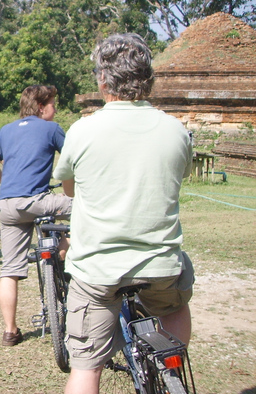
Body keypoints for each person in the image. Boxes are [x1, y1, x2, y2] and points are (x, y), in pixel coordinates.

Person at [53, 34, 194, 394]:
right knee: (174, 304)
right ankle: (170, 365)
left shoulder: (83, 130)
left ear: (102, 80)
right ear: (149, 79)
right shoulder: (175, 130)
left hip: (98, 270)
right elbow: (179, 177)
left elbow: (69, 188)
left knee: (87, 369)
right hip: (159, 265)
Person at [0, 85, 72, 347]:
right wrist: (70, 197)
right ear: (41, 107)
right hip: (39, 201)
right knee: (88, 211)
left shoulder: (6, 130)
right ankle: (64, 248)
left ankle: (10, 332)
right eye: (53, 104)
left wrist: (5, 181)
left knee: (9, 269)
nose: (56, 109)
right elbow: (68, 164)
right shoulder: (52, 129)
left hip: (9, 205)